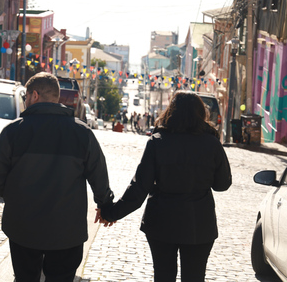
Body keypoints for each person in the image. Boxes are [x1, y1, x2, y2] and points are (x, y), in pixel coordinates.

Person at [0, 72, 114, 282]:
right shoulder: (82, 133)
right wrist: (105, 205)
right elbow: (99, 174)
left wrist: (10, 196)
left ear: (34, 95)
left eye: (25, 97)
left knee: (25, 278)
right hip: (67, 228)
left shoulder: (13, 131)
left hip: (23, 224)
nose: (25, 101)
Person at [97, 91, 232, 282]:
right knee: (194, 277)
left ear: (171, 112)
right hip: (199, 224)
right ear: (201, 113)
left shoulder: (158, 142)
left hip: (162, 223)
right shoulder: (212, 143)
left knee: (163, 275)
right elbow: (222, 184)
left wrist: (111, 213)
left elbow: (139, 188)